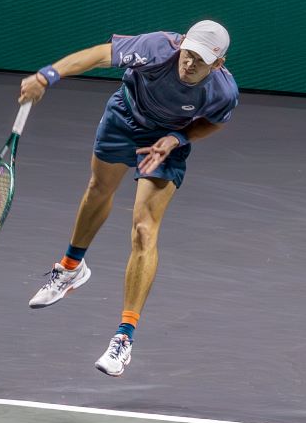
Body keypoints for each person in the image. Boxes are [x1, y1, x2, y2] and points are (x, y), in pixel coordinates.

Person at [16, 20, 240, 378]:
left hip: (165, 141)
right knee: (98, 189)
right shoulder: (157, 48)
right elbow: (99, 55)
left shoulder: (223, 91)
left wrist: (177, 139)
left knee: (143, 230)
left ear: (218, 64)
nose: (189, 63)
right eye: (188, 53)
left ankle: (124, 337)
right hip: (124, 118)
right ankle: (71, 269)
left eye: (200, 60)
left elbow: (215, 121)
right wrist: (47, 76)